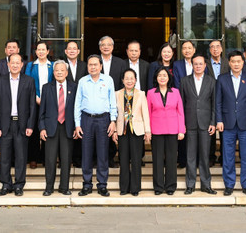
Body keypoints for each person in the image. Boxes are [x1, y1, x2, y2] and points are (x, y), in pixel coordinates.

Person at [74, 54, 118, 197]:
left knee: (102, 153)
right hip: (86, 119)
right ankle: (86, 184)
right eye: (90, 65)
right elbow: (77, 103)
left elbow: (113, 102)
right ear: (87, 67)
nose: (92, 67)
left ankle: (102, 185)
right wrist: (77, 124)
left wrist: (113, 121)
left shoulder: (108, 80)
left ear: (100, 66)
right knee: (86, 153)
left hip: (103, 120)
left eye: (95, 64)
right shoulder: (82, 81)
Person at [0, 53, 36, 196]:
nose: (15, 65)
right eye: (13, 62)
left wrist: (30, 125)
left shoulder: (29, 81)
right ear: (8, 64)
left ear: (22, 65)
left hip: (22, 124)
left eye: (18, 62)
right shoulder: (0, 81)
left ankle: (19, 185)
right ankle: (6, 184)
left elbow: (32, 106)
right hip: (5, 124)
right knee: (4, 157)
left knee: (21, 156)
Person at [215, 50, 246, 196]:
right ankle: (229, 184)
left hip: (245, 124)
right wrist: (218, 120)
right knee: (228, 156)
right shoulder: (221, 79)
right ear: (229, 63)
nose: (236, 64)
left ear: (242, 62)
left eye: (239, 61)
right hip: (227, 124)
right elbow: (218, 102)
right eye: (233, 61)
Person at [180, 54, 216, 195]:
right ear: (192, 65)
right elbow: (181, 104)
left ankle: (206, 184)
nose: (198, 66)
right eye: (195, 64)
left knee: (205, 155)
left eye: (201, 64)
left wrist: (213, 122)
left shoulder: (211, 81)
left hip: (206, 123)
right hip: (190, 123)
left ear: (205, 66)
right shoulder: (184, 81)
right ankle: (190, 184)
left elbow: (214, 104)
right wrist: (181, 124)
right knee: (190, 155)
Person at [39, 60, 76, 196]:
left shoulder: (74, 87)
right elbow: (41, 110)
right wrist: (42, 128)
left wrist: (77, 126)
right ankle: (49, 187)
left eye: (62, 70)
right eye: (56, 70)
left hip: (68, 128)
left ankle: (64, 187)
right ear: (53, 73)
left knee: (66, 159)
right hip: (50, 128)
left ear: (66, 72)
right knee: (50, 159)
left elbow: (76, 109)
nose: (59, 72)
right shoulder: (46, 87)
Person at [148, 67, 185, 195]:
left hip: (173, 130)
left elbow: (180, 112)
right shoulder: (151, 93)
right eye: (159, 75)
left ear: (169, 78)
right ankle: (158, 187)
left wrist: (181, 130)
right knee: (157, 160)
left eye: (164, 75)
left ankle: (170, 187)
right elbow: (148, 113)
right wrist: (148, 131)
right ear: (156, 78)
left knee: (171, 159)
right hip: (156, 130)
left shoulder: (175, 92)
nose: (162, 77)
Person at [113, 68, 151, 196]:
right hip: (122, 130)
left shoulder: (141, 94)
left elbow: (145, 112)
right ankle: (124, 188)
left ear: (135, 80)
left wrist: (147, 130)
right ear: (122, 80)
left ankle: (135, 188)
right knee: (123, 160)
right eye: (126, 78)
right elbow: (114, 113)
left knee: (136, 160)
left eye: (132, 78)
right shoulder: (116, 94)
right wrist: (113, 130)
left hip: (137, 131)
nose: (129, 80)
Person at [26, 40, 54, 169]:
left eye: (43, 49)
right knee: (35, 130)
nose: (41, 52)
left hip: (50, 103)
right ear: (36, 52)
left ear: (48, 51)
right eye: (39, 49)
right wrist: (36, 98)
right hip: (34, 102)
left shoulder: (53, 66)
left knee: (48, 129)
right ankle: (33, 158)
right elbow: (27, 84)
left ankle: (45, 157)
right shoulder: (30, 66)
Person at [63, 40, 85, 168]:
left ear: (78, 51)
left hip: (81, 104)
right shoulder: (61, 65)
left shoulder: (84, 65)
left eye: (74, 48)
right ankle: (65, 159)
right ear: (65, 51)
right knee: (66, 131)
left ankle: (77, 158)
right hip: (65, 103)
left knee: (79, 130)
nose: (72, 50)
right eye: (69, 48)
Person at [207, 39, 228, 166]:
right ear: (210, 50)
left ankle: (223, 156)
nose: (215, 49)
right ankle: (211, 156)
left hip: (225, 100)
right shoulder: (205, 63)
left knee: (224, 130)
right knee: (211, 130)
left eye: (217, 46)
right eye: (212, 47)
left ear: (221, 49)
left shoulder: (227, 63)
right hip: (208, 100)